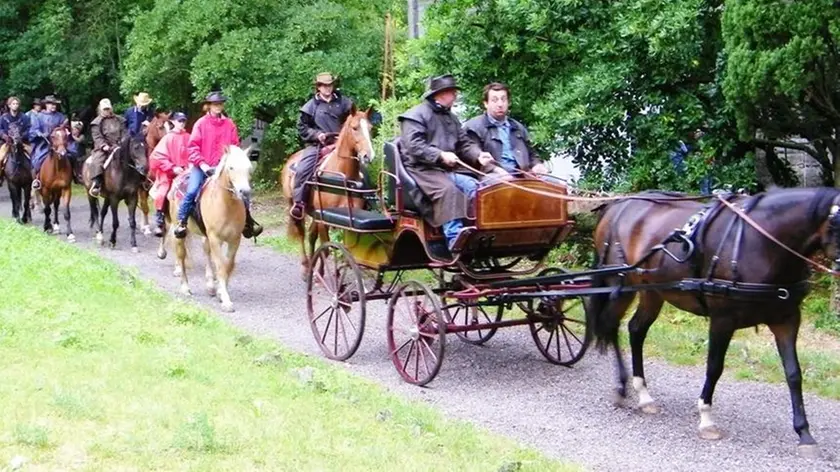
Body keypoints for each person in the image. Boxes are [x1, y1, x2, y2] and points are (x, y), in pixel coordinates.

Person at [397, 74, 497, 252]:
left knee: (475, 187)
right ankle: (455, 238)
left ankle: (475, 234)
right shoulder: (414, 116)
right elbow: (415, 147)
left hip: (446, 169)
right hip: (421, 170)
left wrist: (479, 155)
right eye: (452, 92)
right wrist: (440, 155)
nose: (455, 96)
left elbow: (464, 144)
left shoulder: (451, 118)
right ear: (439, 94)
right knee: (448, 191)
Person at [173, 91, 263, 240]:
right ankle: (181, 222)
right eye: (215, 104)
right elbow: (193, 147)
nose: (218, 107)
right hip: (202, 166)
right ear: (208, 106)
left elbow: (234, 146)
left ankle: (248, 222)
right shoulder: (200, 124)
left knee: (243, 191)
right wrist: (202, 165)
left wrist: (233, 161)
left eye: (220, 104)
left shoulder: (229, 124)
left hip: (224, 168)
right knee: (192, 190)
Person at [289, 72, 355, 220]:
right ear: (318, 87)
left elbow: (354, 119)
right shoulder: (310, 107)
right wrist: (316, 135)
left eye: (329, 85)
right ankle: (299, 203)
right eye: (324, 85)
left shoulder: (345, 103)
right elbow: (302, 127)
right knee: (303, 169)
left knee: (360, 167)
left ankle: (369, 200)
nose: (327, 88)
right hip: (318, 144)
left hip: (342, 144)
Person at [464, 82, 549, 180]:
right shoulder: (474, 127)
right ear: (486, 103)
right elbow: (471, 155)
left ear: (509, 102)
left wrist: (537, 165)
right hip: (491, 175)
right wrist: (497, 170)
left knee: (557, 185)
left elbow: (532, 154)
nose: (500, 104)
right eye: (494, 100)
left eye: (503, 100)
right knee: (507, 186)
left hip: (523, 174)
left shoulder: (518, 127)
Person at [149, 111, 190, 237]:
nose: (182, 123)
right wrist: (172, 168)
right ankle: (160, 220)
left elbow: (193, 152)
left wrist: (188, 167)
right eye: (179, 121)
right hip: (168, 174)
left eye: (183, 121)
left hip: (186, 172)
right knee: (163, 192)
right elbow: (157, 157)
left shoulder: (189, 136)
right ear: (173, 122)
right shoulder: (167, 138)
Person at [88, 98, 127, 197]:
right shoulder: (96, 122)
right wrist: (103, 145)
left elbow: (124, 132)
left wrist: (122, 143)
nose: (107, 111)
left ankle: (140, 182)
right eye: (104, 109)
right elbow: (97, 136)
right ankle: (97, 183)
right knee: (97, 161)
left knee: (133, 157)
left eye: (108, 109)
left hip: (119, 146)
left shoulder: (120, 119)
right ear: (100, 109)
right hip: (104, 148)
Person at [29, 95, 68, 190]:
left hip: (59, 143)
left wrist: (63, 130)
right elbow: (33, 129)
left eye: (55, 104)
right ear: (46, 105)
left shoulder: (60, 116)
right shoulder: (39, 116)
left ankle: (75, 175)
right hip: (44, 144)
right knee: (37, 159)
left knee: (71, 155)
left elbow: (65, 128)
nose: (53, 106)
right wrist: (39, 133)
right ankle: (37, 179)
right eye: (51, 104)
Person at [0, 96, 32, 185]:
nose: (15, 106)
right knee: (0, 157)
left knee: (34, 155)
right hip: (8, 143)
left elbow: (29, 129)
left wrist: (22, 136)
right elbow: (0, 129)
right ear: (9, 105)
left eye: (17, 104)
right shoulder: (3, 117)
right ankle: (0, 177)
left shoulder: (24, 117)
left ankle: (36, 177)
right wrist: (4, 136)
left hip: (23, 142)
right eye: (13, 104)